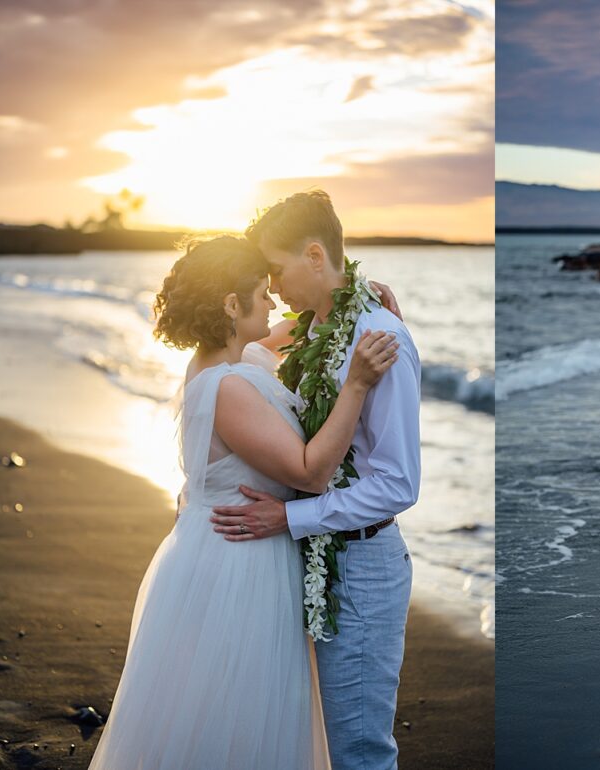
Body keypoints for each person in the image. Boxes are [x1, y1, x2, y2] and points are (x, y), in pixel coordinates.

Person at [89, 235, 397, 769]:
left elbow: (297, 329)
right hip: (239, 566)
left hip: (218, 549)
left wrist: (353, 298)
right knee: (239, 715)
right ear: (232, 305)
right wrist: (357, 384)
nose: (275, 301)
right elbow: (313, 471)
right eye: (262, 292)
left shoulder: (224, 361)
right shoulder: (228, 387)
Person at [209, 191, 421, 770]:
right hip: (315, 562)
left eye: (276, 270)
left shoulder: (379, 340)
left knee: (359, 751)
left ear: (312, 255)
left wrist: (289, 517)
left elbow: (400, 484)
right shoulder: (310, 331)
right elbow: (241, 347)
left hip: (363, 567)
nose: (272, 286)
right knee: (326, 741)